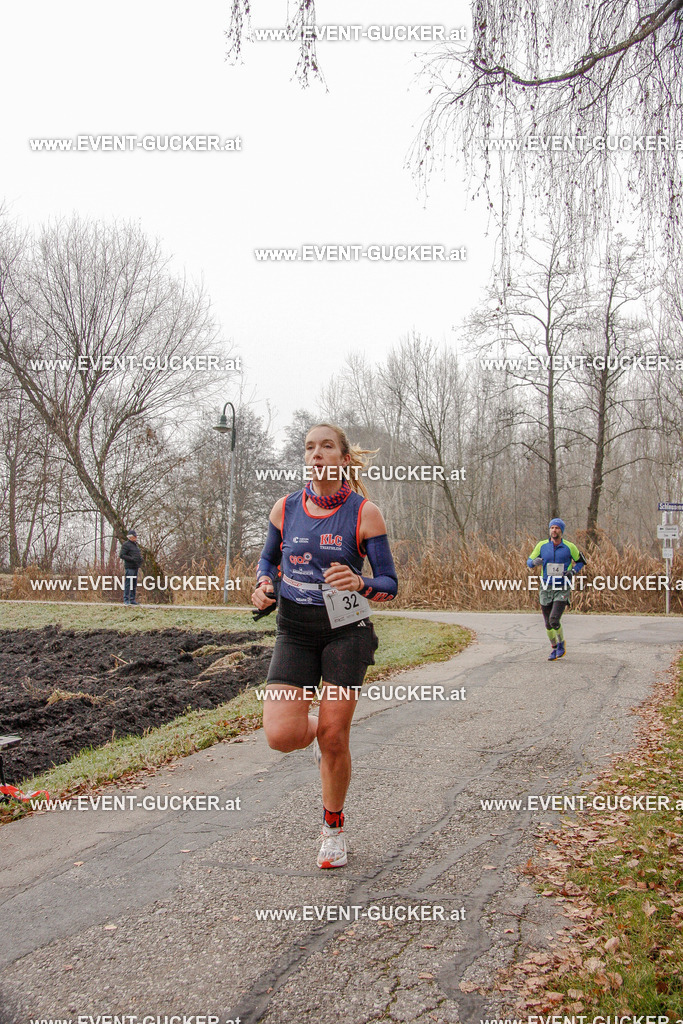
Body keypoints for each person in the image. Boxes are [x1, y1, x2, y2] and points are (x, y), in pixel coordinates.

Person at [252, 423, 398, 869]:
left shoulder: (364, 513)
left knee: (335, 736)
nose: (316, 454)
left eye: (327, 446)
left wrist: (360, 582)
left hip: (346, 629)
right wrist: (263, 584)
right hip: (295, 628)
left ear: (343, 458)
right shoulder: (285, 508)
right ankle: (319, 729)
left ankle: (332, 828)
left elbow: (390, 584)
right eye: (310, 447)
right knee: (281, 737)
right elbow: (268, 559)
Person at [527, 518, 586, 660]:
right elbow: (529, 561)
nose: (554, 530)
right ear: (550, 530)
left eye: (557, 528)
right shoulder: (542, 546)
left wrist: (573, 571)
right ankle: (554, 647)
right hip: (546, 587)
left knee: (554, 619)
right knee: (548, 623)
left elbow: (581, 561)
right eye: (552, 527)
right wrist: (534, 562)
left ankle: (561, 644)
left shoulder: (569, 547)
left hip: (562, 587)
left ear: (561, 531)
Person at [119, 529, 143, 606]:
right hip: (129, 567)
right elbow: (122, 555)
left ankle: (132, 599)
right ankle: (126, 599)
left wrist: (140, 559)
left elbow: (137, 555)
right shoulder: (126, 545)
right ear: (130, 537)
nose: (136, 537)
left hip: (135, 566)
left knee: (134, 584)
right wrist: (131, 559)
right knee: (128, 583)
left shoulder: (135, 545)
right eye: (134, 536)